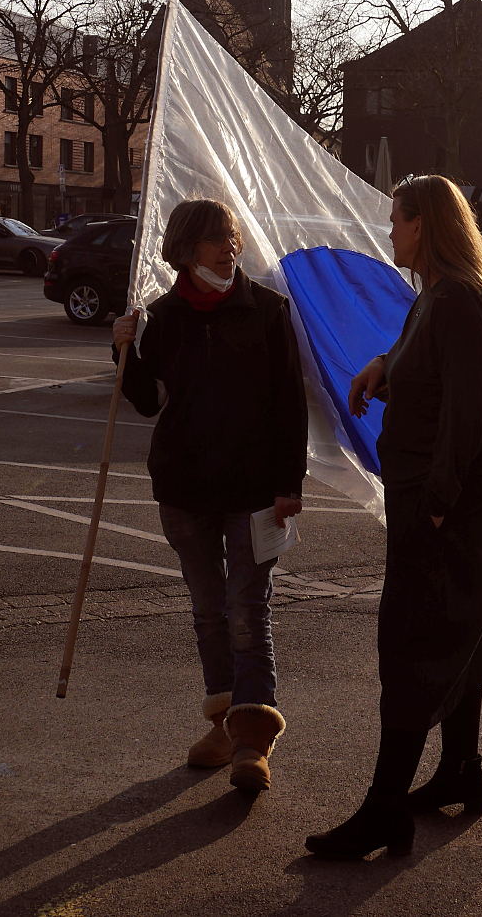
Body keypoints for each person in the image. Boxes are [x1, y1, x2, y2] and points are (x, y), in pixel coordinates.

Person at [305, 175, 482, 859]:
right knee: (460, 635)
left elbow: (469, 411)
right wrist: (382, 366)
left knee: (413, 643)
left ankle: (382, 812)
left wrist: (436, 506)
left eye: (396, 221)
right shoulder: (441, 295)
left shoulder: (456, 299)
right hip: (456, 495)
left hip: (450, 500)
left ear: (423, 224)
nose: (389, 232)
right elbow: (429, 365)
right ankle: (460, 770)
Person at [112, 198, 307, 793]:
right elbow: (147, 400)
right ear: (186, 246)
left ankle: (253, 739)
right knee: (207, 612)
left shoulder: (267, 309)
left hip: (251, 490)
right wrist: (124, 348)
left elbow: (288, 403)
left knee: (248, 611)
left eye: (233, 236)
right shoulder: (165, 316)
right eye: (218, 238)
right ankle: (223, 727)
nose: (231, 246)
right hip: (185, 487)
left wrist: (287, 485)